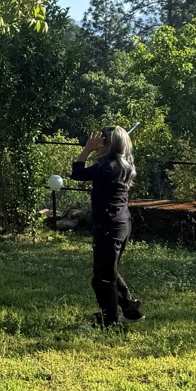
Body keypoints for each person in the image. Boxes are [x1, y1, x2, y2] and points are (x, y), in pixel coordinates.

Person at [72, 125, 142, 328]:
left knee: (103, 278)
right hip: (121, 224)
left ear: (109, 144)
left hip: (109, 227)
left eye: (100, 139)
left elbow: (78, 173)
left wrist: (87, 149)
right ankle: (131, 310)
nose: (96, 142)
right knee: (107, 273)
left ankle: (108, 322)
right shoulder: (122, 164)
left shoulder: (106, 166)